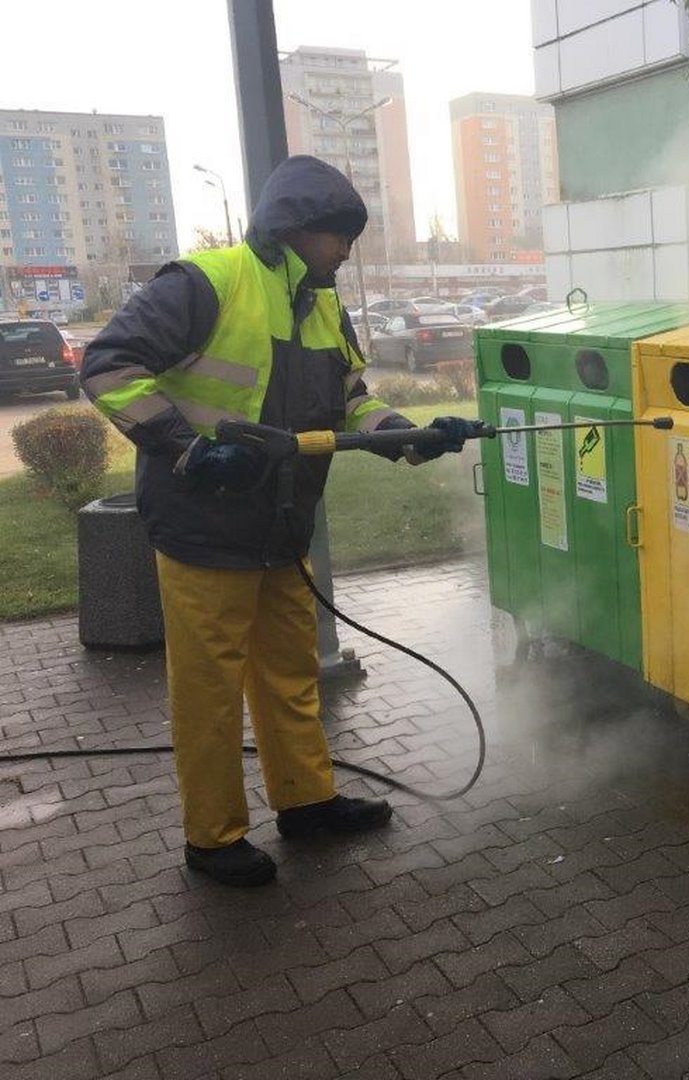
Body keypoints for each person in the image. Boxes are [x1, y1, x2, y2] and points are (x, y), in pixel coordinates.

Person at [82, 155, 473, 887]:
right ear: (295, 227)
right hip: (204, 527)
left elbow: (352, 400)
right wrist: (189, 451)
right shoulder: (207, 282)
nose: (347, 251)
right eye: (339, 236)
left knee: (292, 675)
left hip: (281, 527)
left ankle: (307, 803)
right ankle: (213, 838)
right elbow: (107, 367)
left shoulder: (326, 306)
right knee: (209, 694)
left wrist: (407, 434)